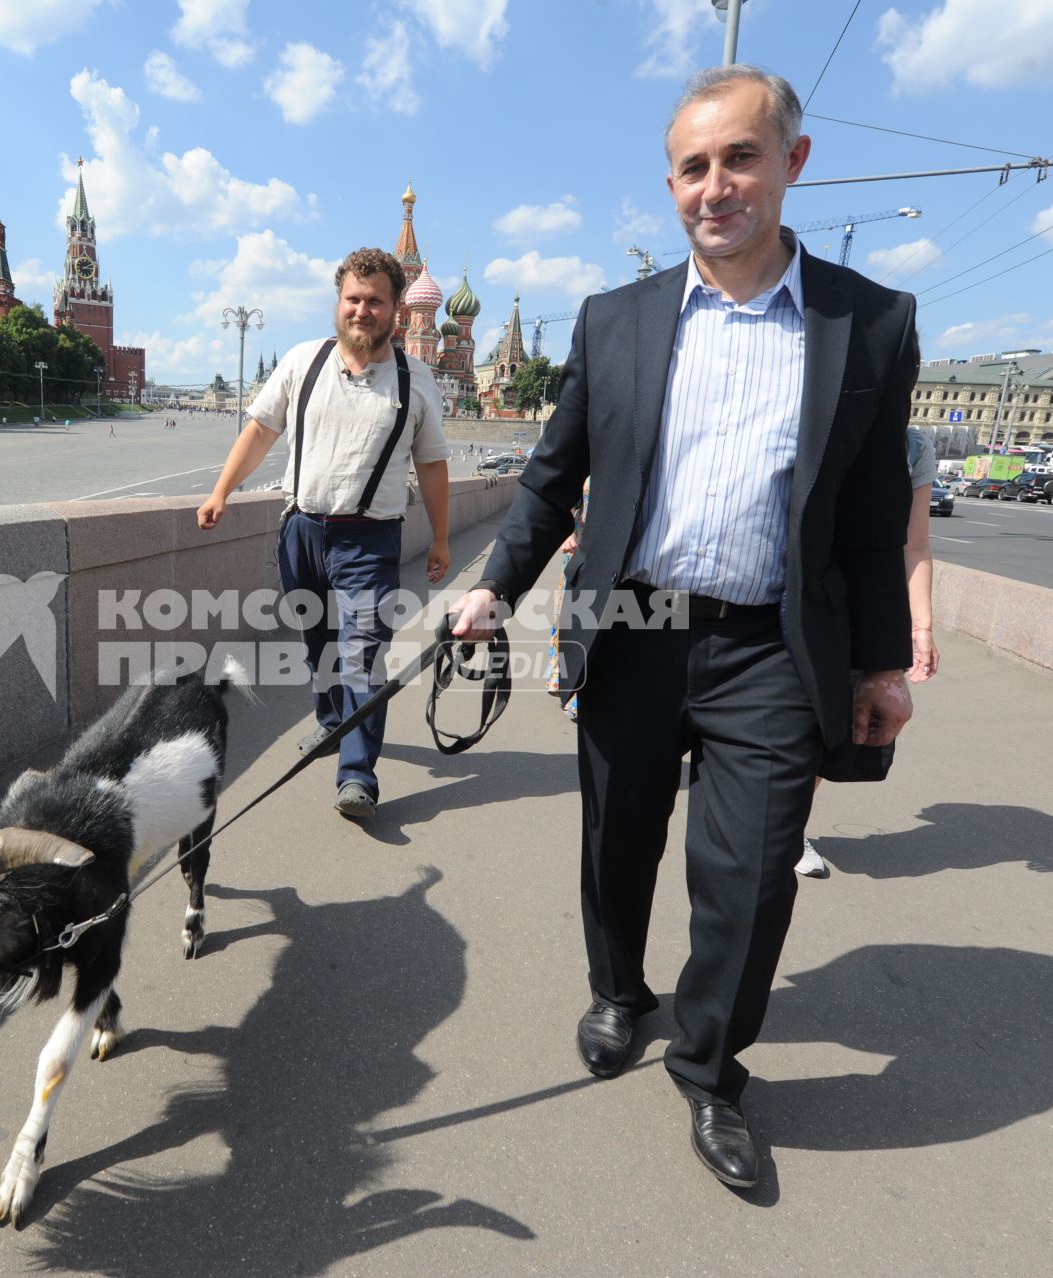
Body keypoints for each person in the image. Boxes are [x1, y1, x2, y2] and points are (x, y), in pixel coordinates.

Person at [449, 65, 917, 1189]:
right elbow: (553, 479)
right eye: (694, 167)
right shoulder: (615, 320)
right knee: (617, 844)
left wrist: (885, 660)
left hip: (771, 641)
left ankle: (710, 1073)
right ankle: (620, 992)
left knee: (751, 879)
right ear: (672, 185)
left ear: (791, 165)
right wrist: (493, 590)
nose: (718, 187)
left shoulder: (870, 323)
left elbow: (867, 520)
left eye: (741, 158)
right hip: (634, 625)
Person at [197, 247, 452, 820]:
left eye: (375, 301)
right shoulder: (303, 362)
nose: (362, 311)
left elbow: (433, 464)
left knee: (361, 654)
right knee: (320, 647)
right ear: (339, 304)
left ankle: (357, 774)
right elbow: (261, 432)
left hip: (370, 540)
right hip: (302, 532)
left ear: (396, 310)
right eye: (353, 300)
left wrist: (439, 538)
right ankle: (333, 723)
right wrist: (221, 492)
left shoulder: (415, 380)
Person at [797, 426, 940, 878]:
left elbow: (913, 544)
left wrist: (921, 627)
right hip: (783, 592)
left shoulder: (912, 446)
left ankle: (787, 827)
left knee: (829, 725)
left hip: (860, 605)